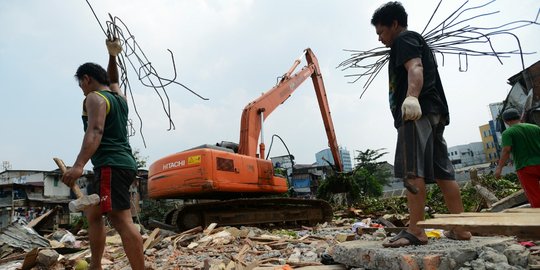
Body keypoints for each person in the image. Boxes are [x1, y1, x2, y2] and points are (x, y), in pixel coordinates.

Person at [370, 2, 471, 247]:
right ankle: (461, 229)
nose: (380, 39)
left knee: (412, 171)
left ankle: (416, 231)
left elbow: (415, 67)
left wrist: (412, 96)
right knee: (443, 171)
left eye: (381, 32)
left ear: (394, 24)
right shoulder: (416, 41)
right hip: (434, 112)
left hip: (417, 113)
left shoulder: (405, 40)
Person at [62, 38, 145, 269]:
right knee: (93, 213)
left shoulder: (94, 98)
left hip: (110, 164)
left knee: (122, 221)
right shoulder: (119, 97)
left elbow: (95, 131)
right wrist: (112, 55)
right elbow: (115, 80)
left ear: (86, 79)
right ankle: (96, 265)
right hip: (124, 164)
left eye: (81, 85)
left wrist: (78, 166)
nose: (82, 90)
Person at [495, 108, 540, 207]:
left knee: (535, 196)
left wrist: (499, 168)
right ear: (519, 117)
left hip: (525, 167)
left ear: (506, 121)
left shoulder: (508, 133)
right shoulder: (535, 127)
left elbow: (506, 150)